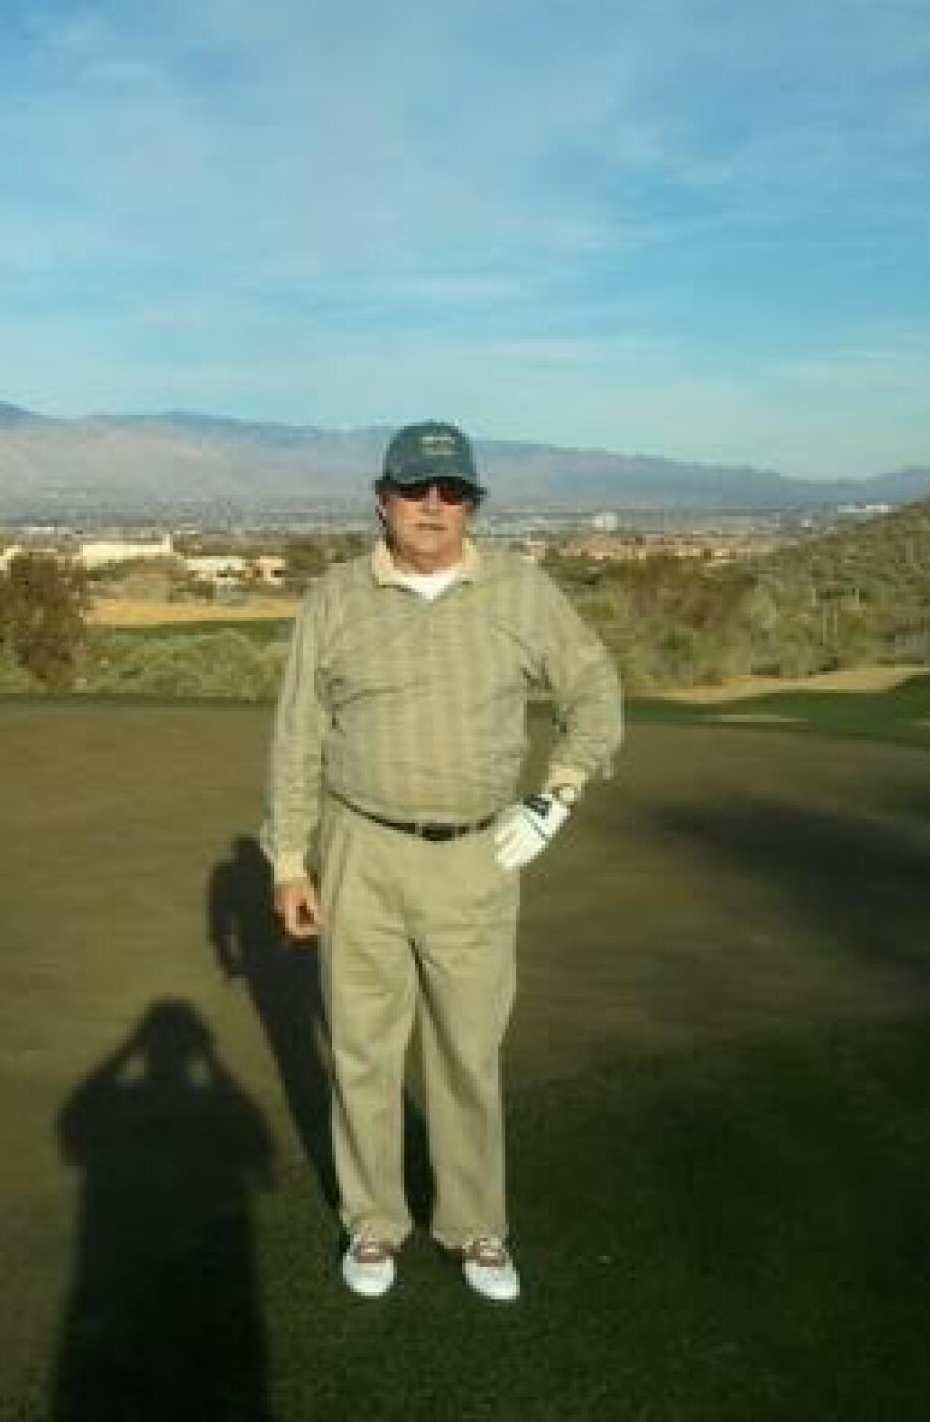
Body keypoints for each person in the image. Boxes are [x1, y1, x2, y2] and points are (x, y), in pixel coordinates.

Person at [261, 420, 623, 1303]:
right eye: (416, 490)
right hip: (360, 850)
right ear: (383, 498)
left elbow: (594, 689)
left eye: (451, 492)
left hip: (474, 855)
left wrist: (559, 791)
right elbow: (297, 734)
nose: (433, 506)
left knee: (467, 1053)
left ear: (472, 505)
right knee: (363, 1050)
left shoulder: (522, 590)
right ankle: (375, 1226)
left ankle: (474, 1230)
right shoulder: (337, 598)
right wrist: (287, 860)